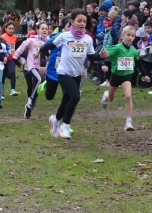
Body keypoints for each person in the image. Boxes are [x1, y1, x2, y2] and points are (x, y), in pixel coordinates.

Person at [38, 9, 103, 139]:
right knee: (75, 96)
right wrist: (39, 51)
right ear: (72, 22)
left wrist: (101, 56)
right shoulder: (65, 36)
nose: (82, 24)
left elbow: (91, 57)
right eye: (79, 21)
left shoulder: (88, 39)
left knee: (66, 100)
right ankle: (65, 125)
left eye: (84, 21)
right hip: (63, 72)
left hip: (77, 73)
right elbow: (50, 45)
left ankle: (55, 120)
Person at [99, 25, 141, 131]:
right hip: (115, 76)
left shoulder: (133, 50)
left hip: (127, 76)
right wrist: (104, 64)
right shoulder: (117, 47)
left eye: (132, 36)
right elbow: (104, 54)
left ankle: (128, 122)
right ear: (122, 35)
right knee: (111, 99)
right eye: (128, 35)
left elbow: (138, 61)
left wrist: (145, 75)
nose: (130, 38)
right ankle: (106, 97)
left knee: (128, 96)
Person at [14, 21, 49, 119]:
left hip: (43, 67)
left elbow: (51, 55)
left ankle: (28, 108)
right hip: (32, 66)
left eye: (46, 29)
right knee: (38, 80)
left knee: (37, 87)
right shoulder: (32, 40)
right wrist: (15, 57)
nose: (44, 30)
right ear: (37, 30)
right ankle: (31, 100)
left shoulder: (49, 41)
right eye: (42, 28)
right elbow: (22, 47)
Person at [1, 21, 20, 96]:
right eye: (9, 28)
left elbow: (16, 47)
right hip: (4, 58)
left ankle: (13, 90)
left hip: (12, 58)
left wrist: (17, 57)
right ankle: (2, 91)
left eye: (12, 28)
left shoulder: (15, 37)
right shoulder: (2, 37)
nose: (11, 30)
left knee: (12, 72)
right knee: (4, 75)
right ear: (5, 29)